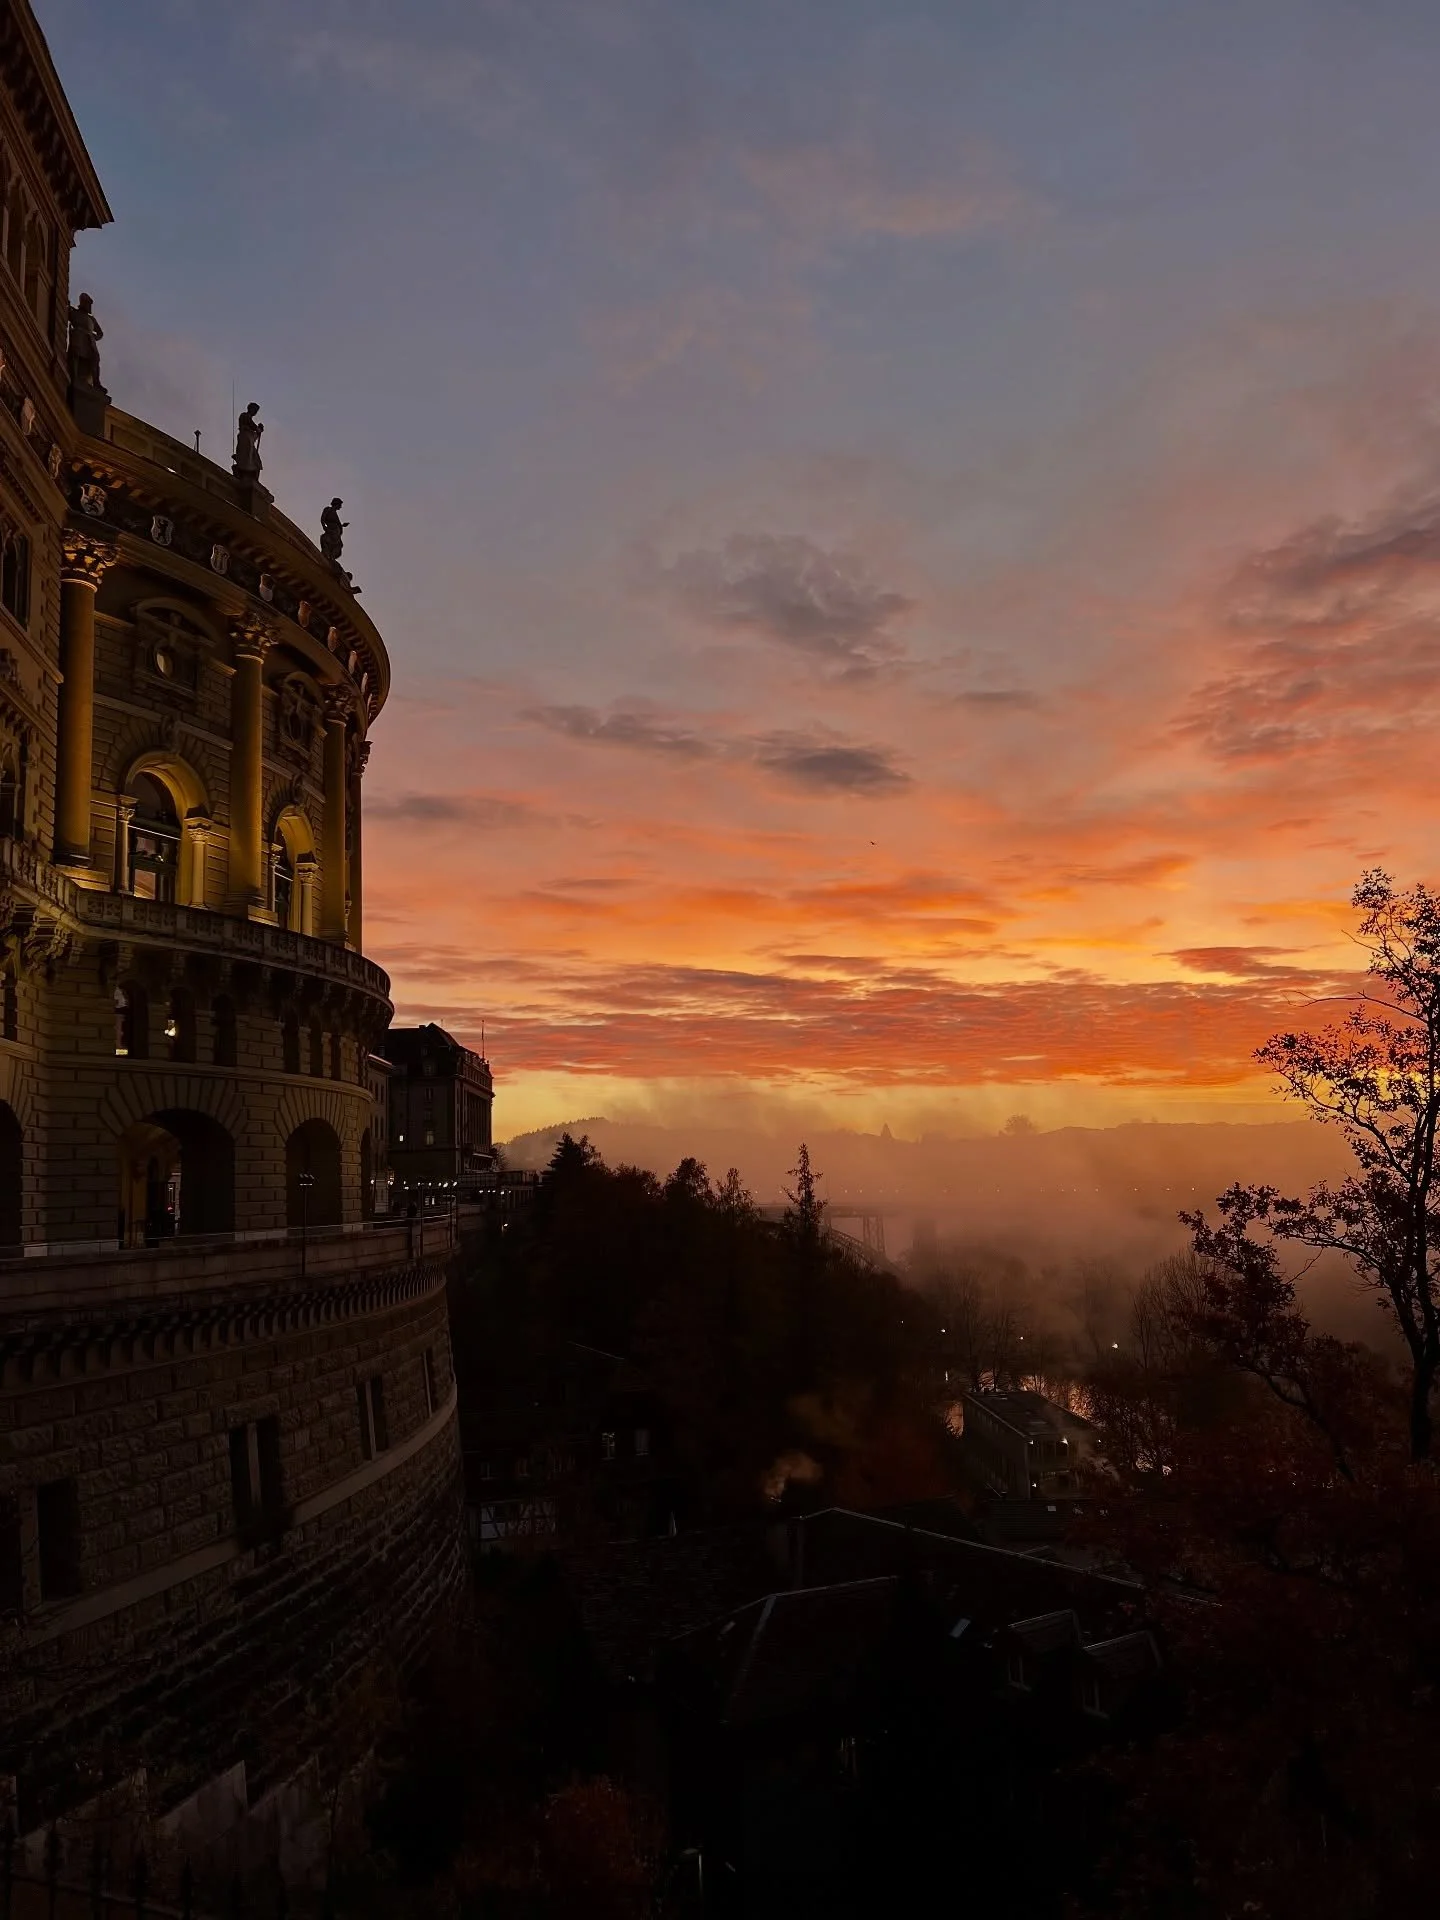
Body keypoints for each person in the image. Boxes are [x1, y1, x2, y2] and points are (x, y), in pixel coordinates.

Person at [67, 292, 103, 389]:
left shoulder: (92, 319)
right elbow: (66, 313)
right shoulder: (75, 313)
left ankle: (96, 383)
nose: (89, 306)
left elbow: (100, 333)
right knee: (75, 354)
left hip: (89, 340)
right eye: (88, 303)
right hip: (78, 337)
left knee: (95, 358)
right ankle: (73, 377)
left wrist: (94, 337)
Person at [233, 402, 263, 479]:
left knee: (256, 460)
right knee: (246, 456)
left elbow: (254, 432)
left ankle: (250, 474)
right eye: (255, 409)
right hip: (245, 439)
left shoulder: (248, 419)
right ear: (250, 408)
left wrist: (258, 431)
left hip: (249, 441)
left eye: (256, 410)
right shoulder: (244, 415)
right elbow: (251, 424)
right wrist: (258, 429)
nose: (255, 412)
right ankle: (241, 470)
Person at [320, 497, 348, 563]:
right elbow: (323, 519)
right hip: (331, 531)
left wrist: (342, 525)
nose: (340, 507)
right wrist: (324, 527)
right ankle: (327, 556)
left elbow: (336, 523)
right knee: (327, 540)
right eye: (340, 505)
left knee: (339, 546)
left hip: (336, 533)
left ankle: (331, 558)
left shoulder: (335, 514)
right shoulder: (328, 509)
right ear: (336, 504)